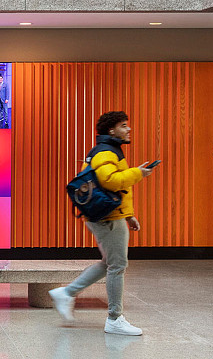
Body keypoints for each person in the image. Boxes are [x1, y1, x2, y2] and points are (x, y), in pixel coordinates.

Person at [49, 111, 155, 336]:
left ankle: (66, 293)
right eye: (124, 126)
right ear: (111, 131)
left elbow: (113, 187)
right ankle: (114, 319)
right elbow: (111, 181)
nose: (128, 129)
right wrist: (138, 173)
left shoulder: (110, 150)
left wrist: (129, 214)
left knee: (109, 263)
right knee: (117, 266)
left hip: (111, 215)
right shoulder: (105, 151)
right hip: (108, 219)